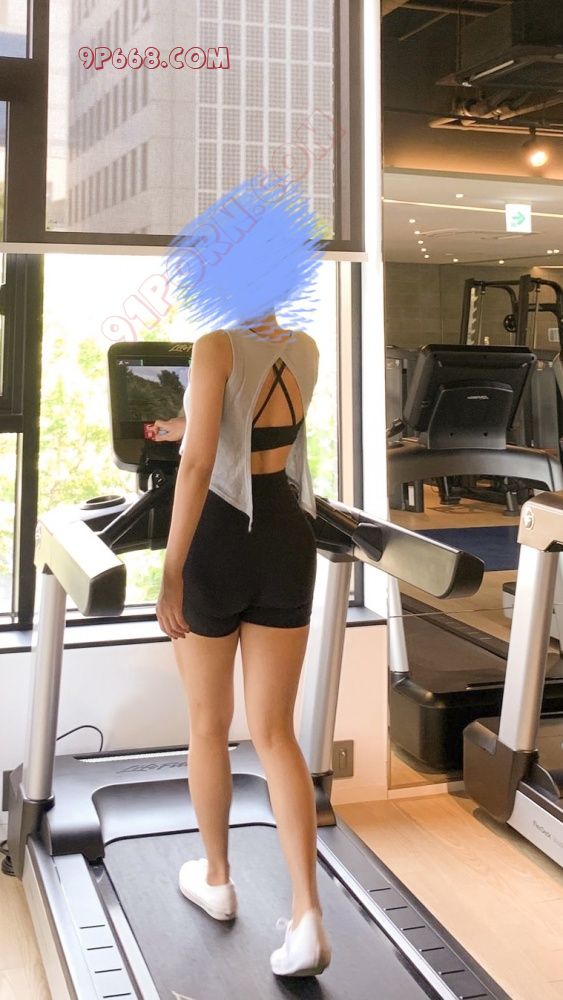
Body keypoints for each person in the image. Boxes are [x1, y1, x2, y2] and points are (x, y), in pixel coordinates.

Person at [155, 312, 331, 978]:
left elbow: (200, 465)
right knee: (276, 734)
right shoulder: (306, 347)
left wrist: (171, 571)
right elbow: (257, 434)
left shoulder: (215, 346)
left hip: (218, 542)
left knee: (208, 725)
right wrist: (185, 423)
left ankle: (218, 878)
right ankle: (307, 915)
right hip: (285, 536)